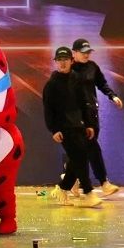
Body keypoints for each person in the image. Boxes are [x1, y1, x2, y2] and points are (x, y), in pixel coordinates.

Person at [44, 47, 101, 208]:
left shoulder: (77, 80)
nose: (62, 63)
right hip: (63, 128)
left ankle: (62, 188)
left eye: (65, 60)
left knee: (78, 158)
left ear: (71, 61)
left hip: (79, 125)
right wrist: (54, 129)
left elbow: (84, 104)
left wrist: (89, 124)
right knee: (79, 157)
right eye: (59, 60)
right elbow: (48, 110)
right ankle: (88, 192)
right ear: (56, 62)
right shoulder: (51, 84)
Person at [71, 38, 122, 196]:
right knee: (92, 148)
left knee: (84, 150)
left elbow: (102, 84)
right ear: (74, 53)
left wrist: (112, 96)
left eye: (88, 52)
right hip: (76, 116)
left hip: (92, 114)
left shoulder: (92, 67)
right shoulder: (69, 69)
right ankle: (104, 182)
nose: (86, 55)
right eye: (83, 52)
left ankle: (71, 179)